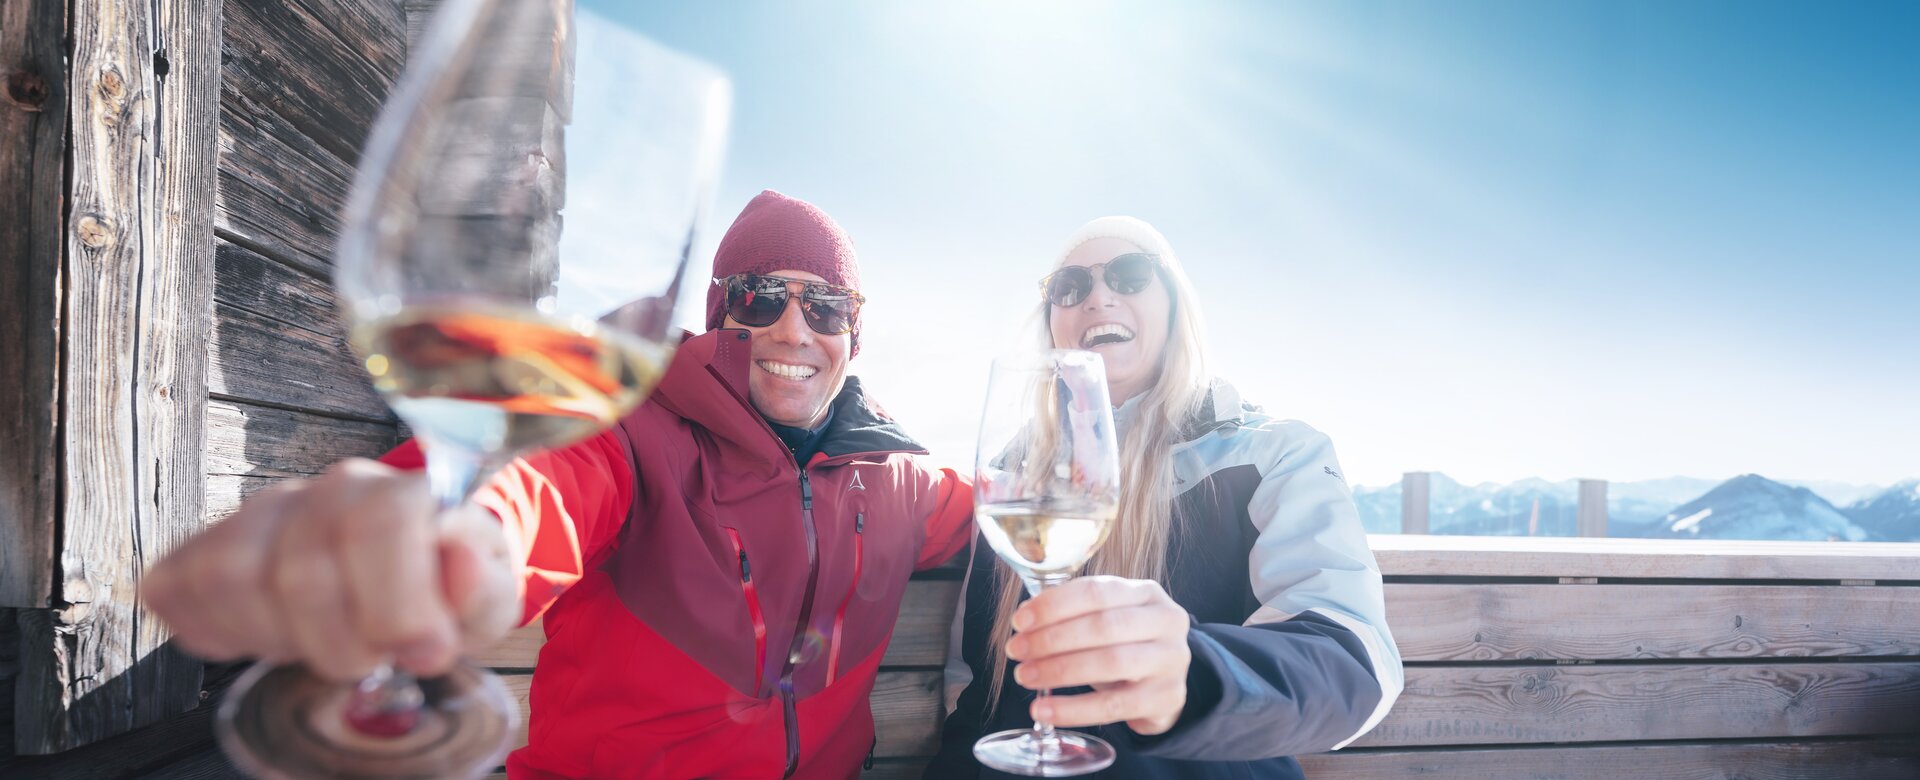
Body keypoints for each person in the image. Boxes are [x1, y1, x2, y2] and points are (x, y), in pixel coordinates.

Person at [144, 190, 974, 779]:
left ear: (853, 337)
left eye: (827, 306)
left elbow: (1001, 509)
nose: (794, 327)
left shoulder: (897, 478)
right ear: (721, 313)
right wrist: (441, 534)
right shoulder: (634, 430)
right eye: (759, 298)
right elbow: (538, 487)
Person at [927, 217, 1402, 779]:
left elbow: (1353, 659)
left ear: (1177, 304)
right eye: (1070, 286)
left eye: (1130, 276)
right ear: (1051, 321)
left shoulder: (1274, 453)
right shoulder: (1012, 472)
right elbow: (976, 686)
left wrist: (1195, 678)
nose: (1099, 296)